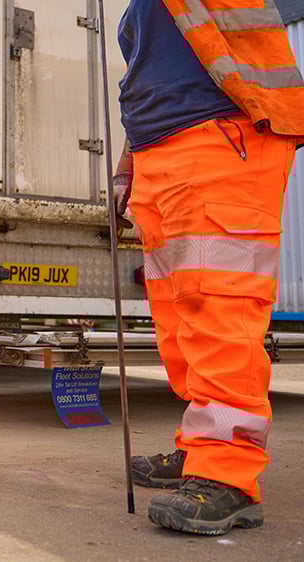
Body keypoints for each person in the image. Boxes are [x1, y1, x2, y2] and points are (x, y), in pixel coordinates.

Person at [113, 0, 304, 536]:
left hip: (223, 135)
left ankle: (228, 473)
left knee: (218, 306)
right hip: (161, 149)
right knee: (178, 318)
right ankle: (200, 444)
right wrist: (131, 160)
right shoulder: (137, 13)